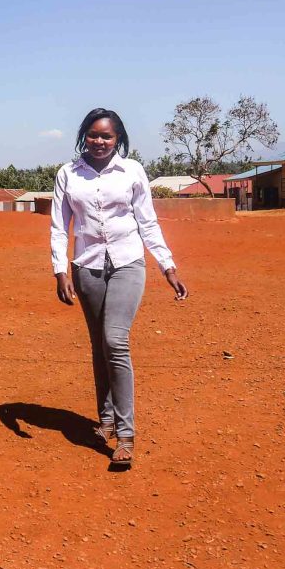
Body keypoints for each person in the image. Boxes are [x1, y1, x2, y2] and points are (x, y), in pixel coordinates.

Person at [50, 108, 188, 467]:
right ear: (84, 136)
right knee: (99, 345)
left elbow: (148, 222)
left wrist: (167, 265)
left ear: (119, 139)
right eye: (94, 135)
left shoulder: (133, 171)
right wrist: (59, 270)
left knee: (115, 340)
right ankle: (106, 419)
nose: (99, 142)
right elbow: (59, 226)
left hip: (128, 262)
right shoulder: (68, 174)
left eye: (107, 136)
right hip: (87, 267)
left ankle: (125, 434)